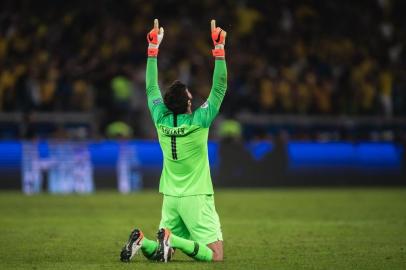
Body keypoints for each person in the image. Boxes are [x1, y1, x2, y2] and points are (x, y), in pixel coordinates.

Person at [120, 19, 228, 263]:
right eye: (191, 97)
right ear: (188, 104)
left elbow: (150, 89)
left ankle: (141, 241)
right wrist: (219, 51)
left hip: (170, 195)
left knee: (163, 254)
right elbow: (219, 88)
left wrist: (152, 50)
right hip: (196, 196)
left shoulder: (160, 119)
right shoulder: (199, 121)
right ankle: (171, 237)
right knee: (216, 255)